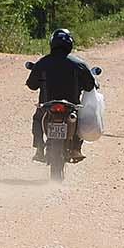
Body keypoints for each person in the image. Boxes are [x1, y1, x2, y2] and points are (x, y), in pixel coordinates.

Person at [26, 28, 98, 160]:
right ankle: (76, 149)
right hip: (71, 106)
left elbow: (31, 85)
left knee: (37, 118)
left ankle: (40, 149)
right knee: (80, 119)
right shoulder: (79, 64)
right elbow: (89, 86)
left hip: (47, 106)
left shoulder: (42, 63)